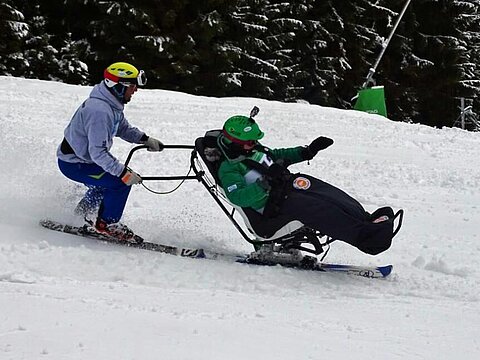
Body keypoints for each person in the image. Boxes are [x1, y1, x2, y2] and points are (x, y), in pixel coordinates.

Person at [214, 114, 401, 256]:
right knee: (323, 209)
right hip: (273, 206)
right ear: (235, 143)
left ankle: (367, 219)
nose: (255, 144)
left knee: (331, 195)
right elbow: (237, 197)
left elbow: (278, 155)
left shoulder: (253, 149)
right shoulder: (229, 168)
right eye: (250, 142)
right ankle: (368, 238)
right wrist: (265, 182)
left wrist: (307, 151)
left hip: (287, 185)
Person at [57, 62, 164, 241]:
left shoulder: (111, 105)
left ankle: (81, 215)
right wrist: (123, 173)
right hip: (74, 164)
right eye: (132, 86)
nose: (135, 90)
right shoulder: (100, 111)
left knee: (105, 183)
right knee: (120, 183)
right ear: (117, 86)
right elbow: (98, 152)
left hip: (82, 161)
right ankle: (108, 225)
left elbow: (123, 128)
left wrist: (145, 139)